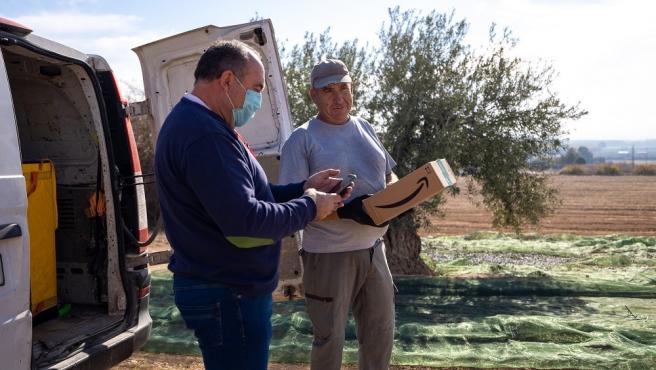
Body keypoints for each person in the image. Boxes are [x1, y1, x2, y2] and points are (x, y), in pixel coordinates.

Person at [155, 41, 349, 370]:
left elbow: (246, 197)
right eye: (257, 88)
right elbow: (245, 219)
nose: (258, 99)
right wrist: (311, 207)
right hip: (228, 294)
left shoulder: (201, 125)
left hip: (225, 290)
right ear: (228, 80)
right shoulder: (206, 135)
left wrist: (302, 188)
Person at [279, 59, 398, 370]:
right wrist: (349, 213)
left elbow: (390, 176)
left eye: (344, 88)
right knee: (329, 340)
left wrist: (392, 200)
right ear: (312, 95)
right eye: (328, 90)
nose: (338, 98)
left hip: (375, 251)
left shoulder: (365, 127)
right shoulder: (301, 139)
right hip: (328, 256)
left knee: (380, 335)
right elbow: (293, 205)